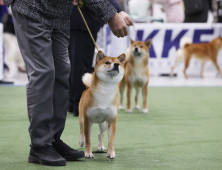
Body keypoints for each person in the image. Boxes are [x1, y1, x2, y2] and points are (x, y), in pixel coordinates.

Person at [2, 0, 128, 166]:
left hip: (60, 15)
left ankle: (53, 139)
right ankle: (40, 144)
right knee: (43, 73)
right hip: (31, 6)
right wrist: (111, 15)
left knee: (62, 73)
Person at [68, 0, 133, 116]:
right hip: (82, 20)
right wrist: (118, 12)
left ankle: (72, 103)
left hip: (75, 19)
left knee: (73, 63)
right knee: (81, 64)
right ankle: (79, 104)